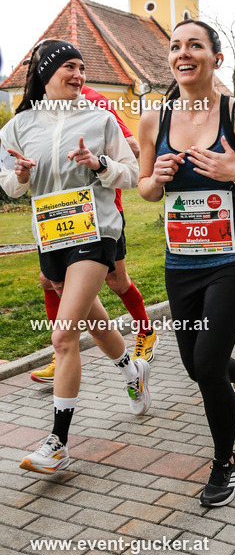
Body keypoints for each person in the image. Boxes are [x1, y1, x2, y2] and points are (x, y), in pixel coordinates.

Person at [138, 22, 235, 508]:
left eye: (194, 45)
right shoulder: (153, 119)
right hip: (181, 260)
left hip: (234, 255)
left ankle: (226, 462)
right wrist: (157, 178)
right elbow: (144, 188)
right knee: (193, 365)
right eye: (175, 46)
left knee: (206, 364)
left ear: (215, 58)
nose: (183, 53)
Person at [0, 40, 149, 476]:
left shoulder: (100, 118)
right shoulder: (19, 125)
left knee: (64, 337)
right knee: (92, 319)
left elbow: (131, 172)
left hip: (96, 231)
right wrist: (20, 176)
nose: (79, 75)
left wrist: (100, 163)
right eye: (70, 66)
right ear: (46, 73)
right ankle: (132, 371)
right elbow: (9, 185)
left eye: (82, 68)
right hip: (51, 234)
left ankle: (58, 443)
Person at [30, 83, 156, 384]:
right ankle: (61, 351)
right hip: (55, 211)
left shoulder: (94, 101)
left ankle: (145, 331)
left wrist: (95, 163)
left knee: (116, 281)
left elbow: (132, 148)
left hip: (97, 212)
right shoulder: (37, 109)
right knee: (49, 280)